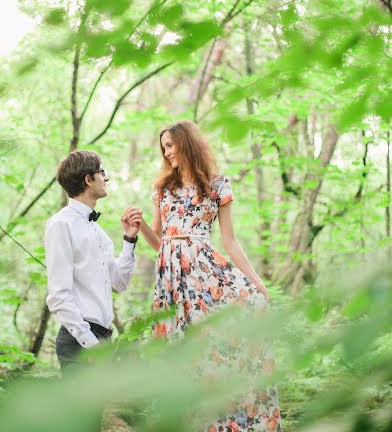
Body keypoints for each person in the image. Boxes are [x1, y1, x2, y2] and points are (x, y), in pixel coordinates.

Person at [136, 120, 282, 431]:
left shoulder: (217, 185)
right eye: (164, 148)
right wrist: (140, 228)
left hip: (204, 275)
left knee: (209, 349)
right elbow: (160, 242)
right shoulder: (163, 188)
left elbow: (230, 240)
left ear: (187, 144)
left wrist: (257, 284)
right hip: (170, 280)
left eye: (171, 146)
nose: (167, 153)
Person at [45, 149, 142, 371]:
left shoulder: (98, 232)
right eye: (102, 172)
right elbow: (58, 296)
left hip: (103, 338)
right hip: (80, 341)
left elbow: (119, 283)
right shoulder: (61, 224)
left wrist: (129, 239)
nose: (106, 178)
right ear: (88, 179)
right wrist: (90, 343)